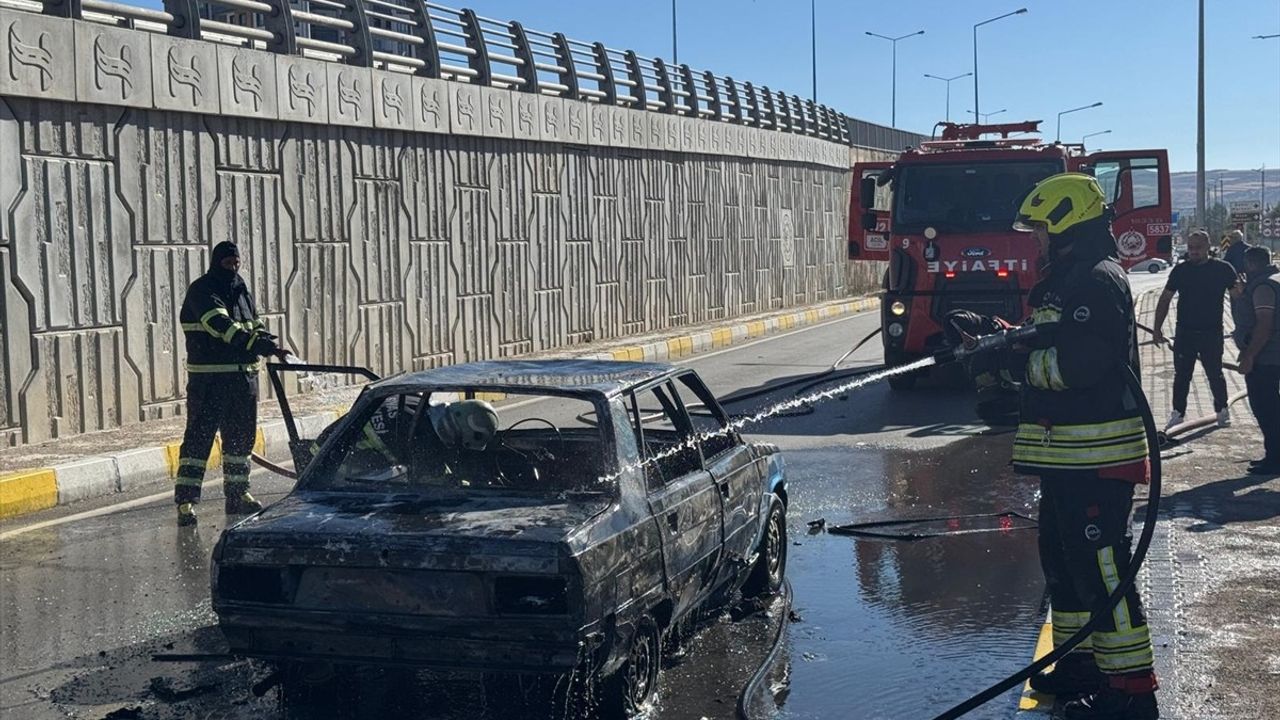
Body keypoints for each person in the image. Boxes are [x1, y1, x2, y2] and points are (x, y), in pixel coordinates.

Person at [949, 173, 1159, 719]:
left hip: (1098, 461)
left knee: (1102, 572)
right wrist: (996, 335)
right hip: (1068, 461)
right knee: (1065, 567)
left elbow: (1080, 366)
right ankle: (1081, 665)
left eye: (1041, 228)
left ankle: (1131, 694)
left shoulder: (1094, 280)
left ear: (1067, 222)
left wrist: (1009, 359)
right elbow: (1049, 339)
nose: (1035, 238)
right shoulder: (1068, 279)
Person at [175, 241, 290, 526]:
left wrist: (267, 341)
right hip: (210, 381)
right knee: (199, 440)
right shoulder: (203, 290)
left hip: (243, 380)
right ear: (217, 263)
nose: (234, 268)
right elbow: (221, 326)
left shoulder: (241, 290)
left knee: (240, 441)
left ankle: (238, 495)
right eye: (228, 264)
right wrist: (256, 344)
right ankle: (186, 501)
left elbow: (254, 323)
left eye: (237, 263)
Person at [1151, 229, 1237, 429]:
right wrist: (1157, 328)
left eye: (1198, 248)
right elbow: (1165, 299)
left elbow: (1238, 297)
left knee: (1215, 373)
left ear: (1208, 247)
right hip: (1185, 332)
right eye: (1191, 248)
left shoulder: (1223, 269)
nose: (1194, 252)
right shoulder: (1181, 271)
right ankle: (1178, 413)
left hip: (1212, 331)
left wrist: (1242, 326)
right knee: (1182, 375)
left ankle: (1222, 410)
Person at [1231, 246, 1280, 475]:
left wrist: (1249, 356)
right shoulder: (1273, 279)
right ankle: (1273, 456)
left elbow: (1264, 324)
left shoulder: (1263, 286)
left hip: (1267, 358)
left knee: (1266, 408)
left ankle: (1275, 459)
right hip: (1270, 355)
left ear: (1250, 264)